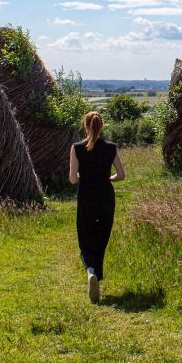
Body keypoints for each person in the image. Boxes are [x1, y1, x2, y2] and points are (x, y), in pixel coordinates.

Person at [69, 111, 125, 303]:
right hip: (105, 196)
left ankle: (91, 271)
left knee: (86, 237)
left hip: (87, 196)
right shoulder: (111, 148)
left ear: (86, 126)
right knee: (102, 236)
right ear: (101, 126)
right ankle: (96, 275)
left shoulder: (76, 148)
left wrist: (85, 177)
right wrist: (108, 177)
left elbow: (73, 178)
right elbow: (121, 175)